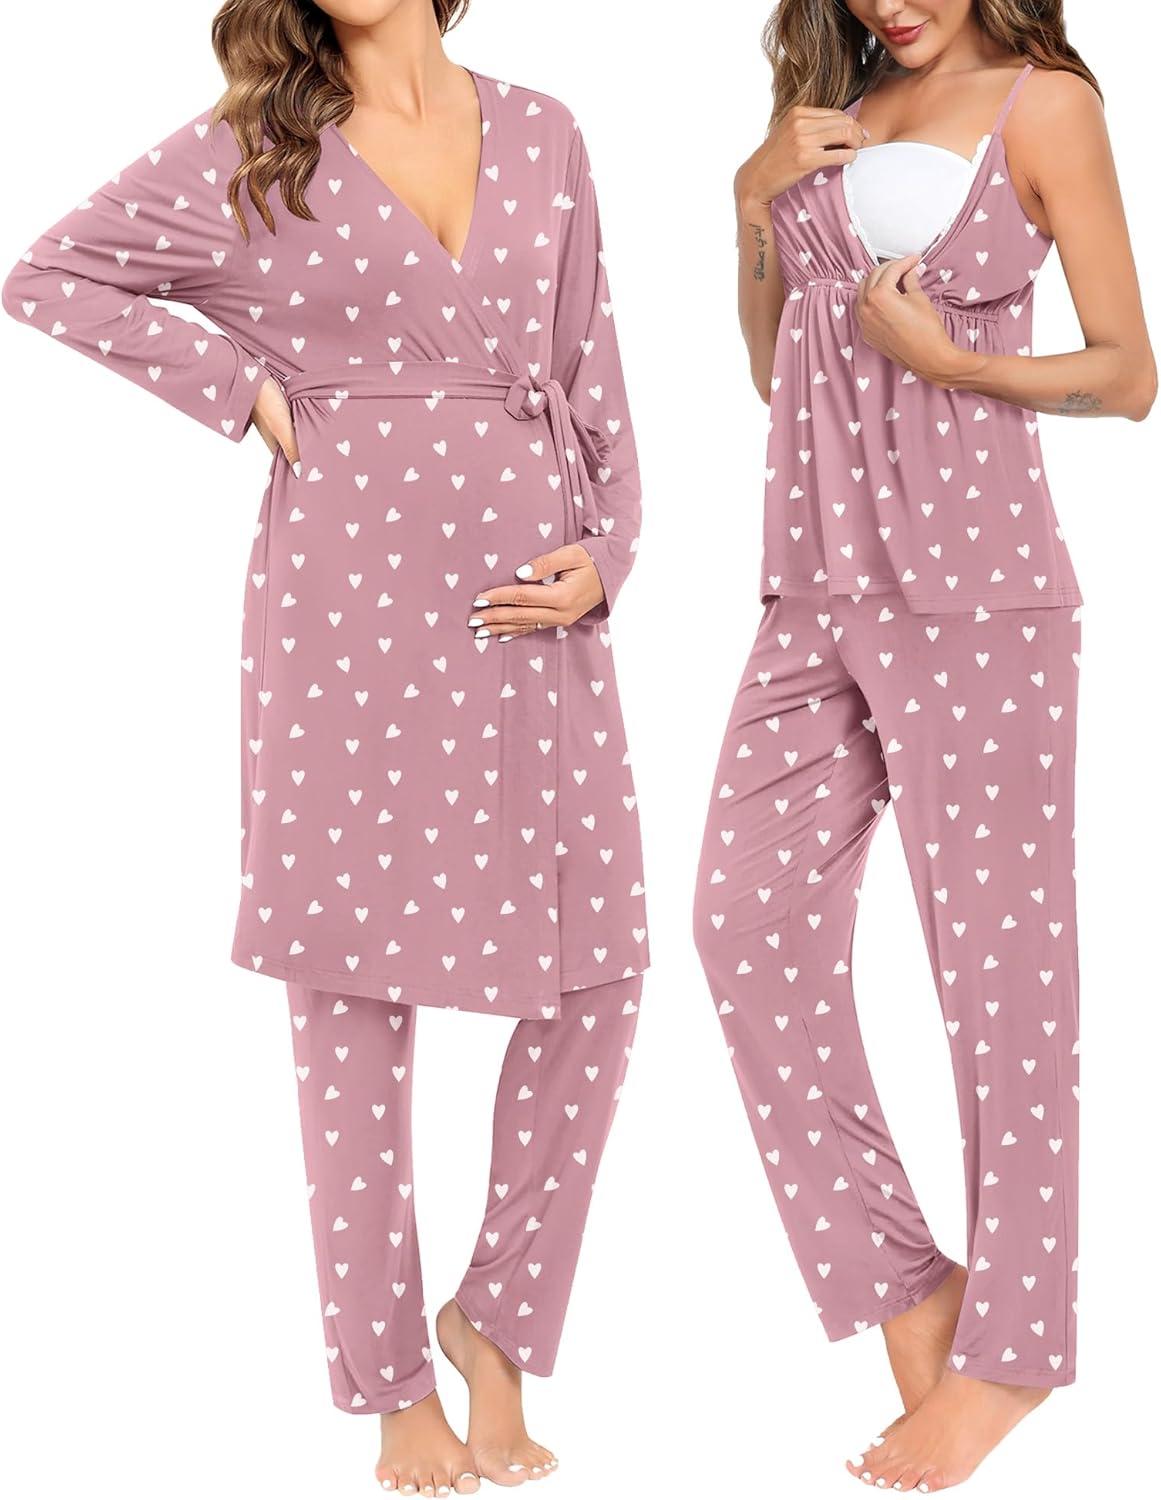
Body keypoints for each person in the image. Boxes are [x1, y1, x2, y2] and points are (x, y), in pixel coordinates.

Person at [2, 1, 649, 1493]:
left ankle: (498, 1321)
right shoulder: (260, 145)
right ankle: (390, 1384)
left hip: (533, 603)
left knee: (599, 968)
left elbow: (592, 363)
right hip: (351, 599)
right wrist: (238, 390)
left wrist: (611, 548)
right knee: (352, 985)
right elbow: (49, 272)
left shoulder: (543, 128)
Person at [693, 0, 1154, 1491]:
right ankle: (906, 1285)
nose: (893, 1)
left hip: (978, 593)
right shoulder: (826, 116)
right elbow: (774, 367)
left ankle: (1016, 1351)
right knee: (741, 928)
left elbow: (1126, 374)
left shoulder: (1043, 105)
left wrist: (953, 365)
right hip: (811, 588)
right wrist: (752, 201)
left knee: (1000, 980)